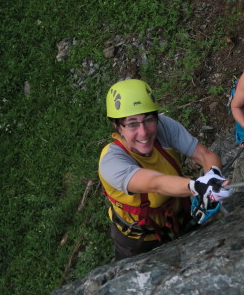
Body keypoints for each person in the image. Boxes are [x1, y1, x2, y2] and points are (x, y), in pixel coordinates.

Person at [99, 79, 233, 260]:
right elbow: (155, 183)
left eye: (148, 120)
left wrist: (213, 176)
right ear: (117, 127)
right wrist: (197, 186)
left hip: (181, 217)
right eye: (132, 124)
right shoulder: (111, 161)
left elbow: (205, 155)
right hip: (139, 239)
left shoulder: (163, 126)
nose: (144, 132)